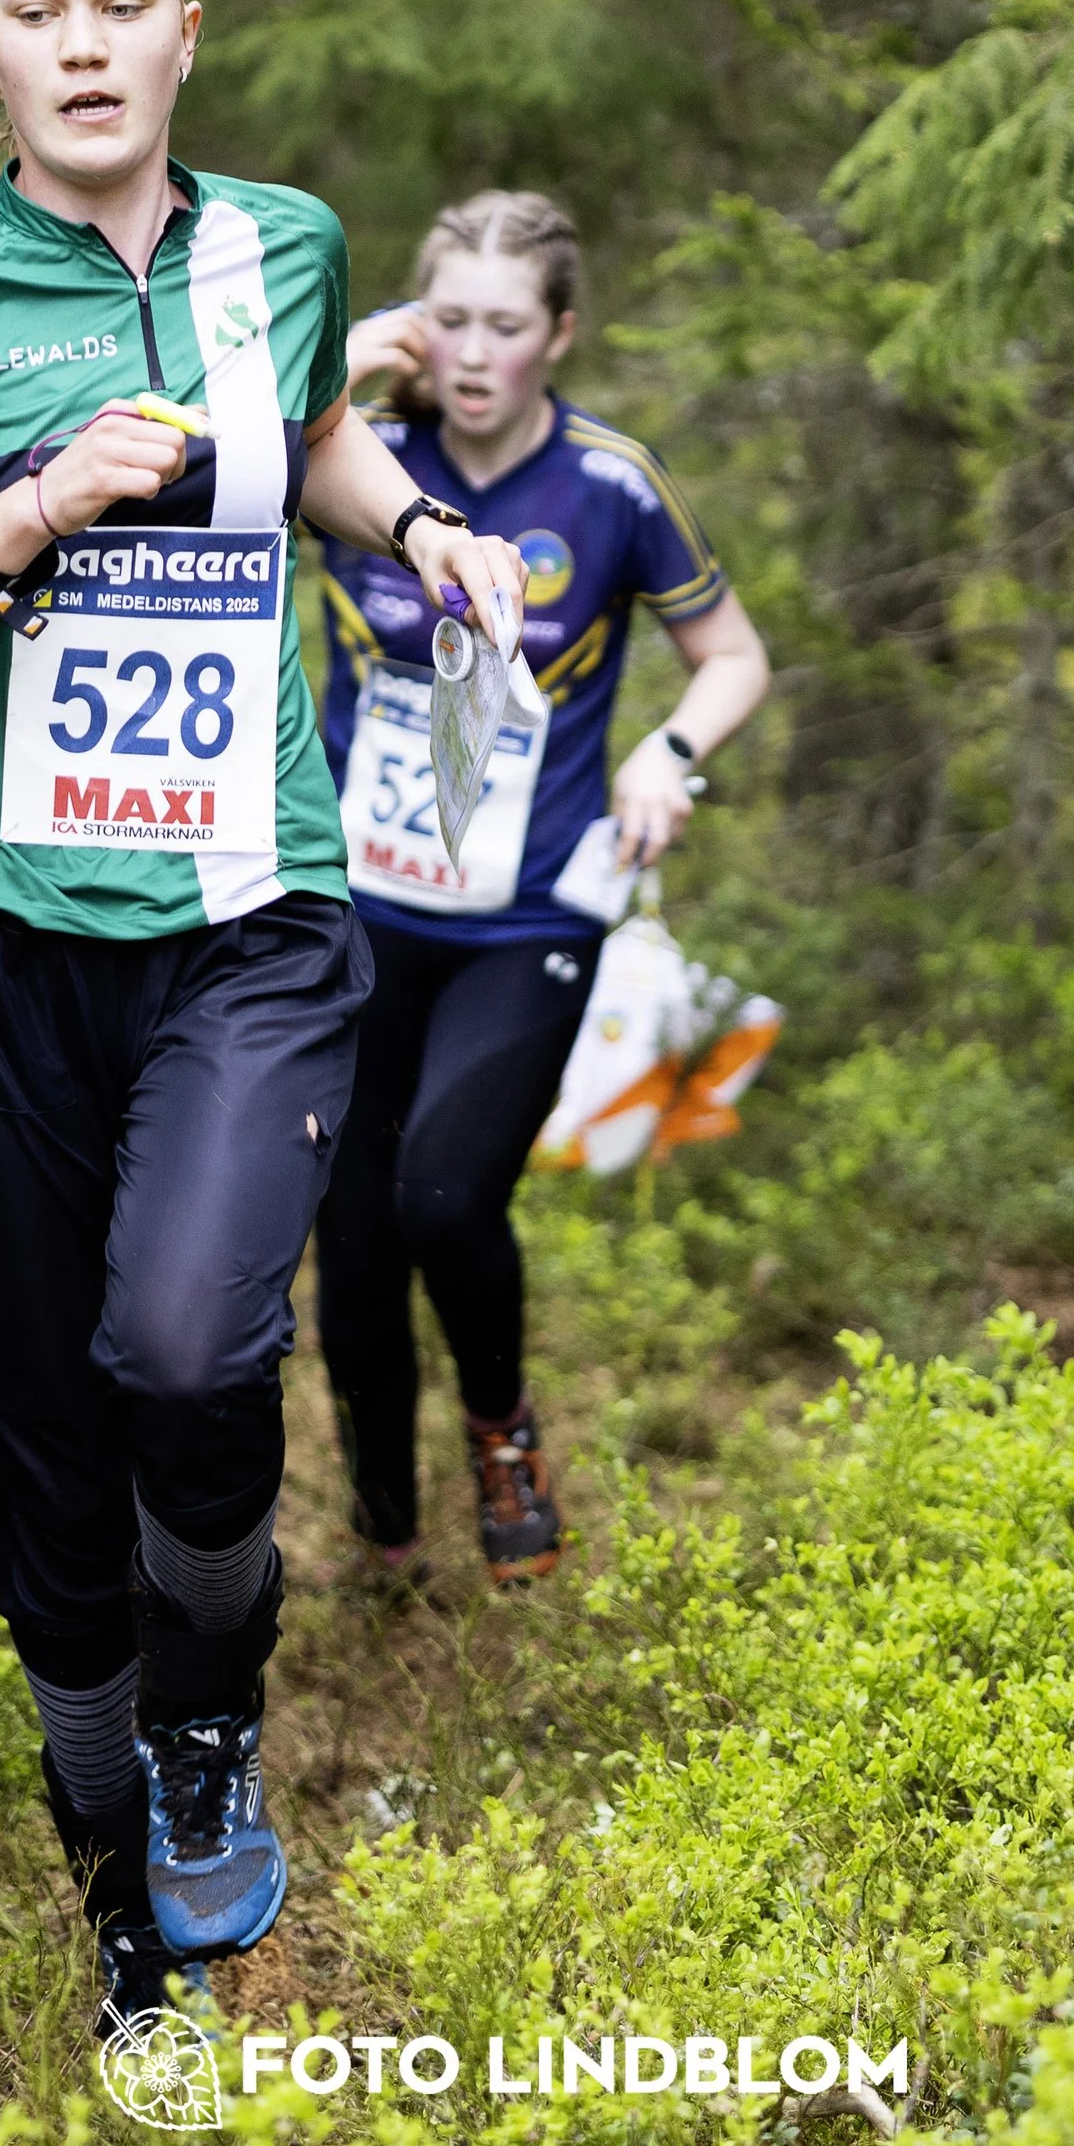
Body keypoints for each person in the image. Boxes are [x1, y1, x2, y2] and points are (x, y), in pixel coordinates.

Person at [0, 0, 524, 2018]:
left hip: (244, 915)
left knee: (191, 1355)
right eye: (41, 11)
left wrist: (427, 529)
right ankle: (118, 1900)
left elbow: (309, 443)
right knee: (50, 1451)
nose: (85, 46)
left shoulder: (281, 244)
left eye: (123, 6)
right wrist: (25, 511)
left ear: (185, 36)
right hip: (1, 945)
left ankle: (211, 1722)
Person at [313, 193, 769, 1586]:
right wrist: (336, 362)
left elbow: (735, 657)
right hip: (356, 908)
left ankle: (503, 1433)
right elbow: (202, 463)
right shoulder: (352, 457)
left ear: (559, 334)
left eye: (505, 325)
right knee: (352, 1243)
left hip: (528, 920)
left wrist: (668, 757)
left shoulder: (612, 486)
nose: (472, 352)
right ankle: (385, 1531)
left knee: (447, 1197)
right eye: (448, 318)